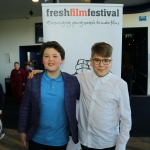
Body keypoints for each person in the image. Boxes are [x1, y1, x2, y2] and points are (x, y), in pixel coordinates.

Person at [29, 42, 132, 150]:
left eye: (106, 60)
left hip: (107, 142)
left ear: (111, 62)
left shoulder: (120, 85)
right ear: (91, 61)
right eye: (97, 60)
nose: (101, 65)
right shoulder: (82, 78)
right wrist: (42, 72)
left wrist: (121, 145)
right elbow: (62, 77)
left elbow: (126, 118)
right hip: (85, 141)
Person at [18, 41, 80, 150]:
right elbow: (25, 107)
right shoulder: (33, 81)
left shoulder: (72, 81)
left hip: (60, 140)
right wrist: (22, 130)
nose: (51, 59)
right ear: (42, 60)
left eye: (55, 56)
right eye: (46, 56)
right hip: (36, 138)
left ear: (62, 60)